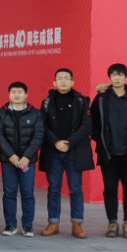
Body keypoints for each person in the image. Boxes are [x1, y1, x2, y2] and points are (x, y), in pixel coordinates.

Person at [91, 63, 127, 238]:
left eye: (120, 74)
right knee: (110, 188)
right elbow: (93, 123)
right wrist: (100, 141)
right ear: (109, 77)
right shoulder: (101, 98)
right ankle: (112, 222)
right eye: (114, 75)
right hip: (108, 153)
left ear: (126, 77)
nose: (117, 78)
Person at [39, 68, 93, 238]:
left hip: (74, 151)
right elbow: (42, 126)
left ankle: (77, 223)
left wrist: (69, 142)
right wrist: (55, 142)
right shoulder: (47, 102)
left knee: (75, 188)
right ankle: (53, 222)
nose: (63, 81)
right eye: (59, 78)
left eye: (66, 78)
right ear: (54, 82)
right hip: (53, 151)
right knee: (53, 188)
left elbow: (87, 125)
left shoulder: (82, 101)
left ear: (72, 82)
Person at [0, 81, 44, 237]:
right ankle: (10, 225)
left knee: (27, 193)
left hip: (27, 162)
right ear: (9, 94)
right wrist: (11, 155)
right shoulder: (0, 113)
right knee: (9, 193)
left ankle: (28, 226)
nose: (16, 95)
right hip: (8, 161)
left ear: (26, 95)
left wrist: (26, 156)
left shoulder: (35, 113)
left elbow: (38, 136)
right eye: (13, 92)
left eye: (20, 92)